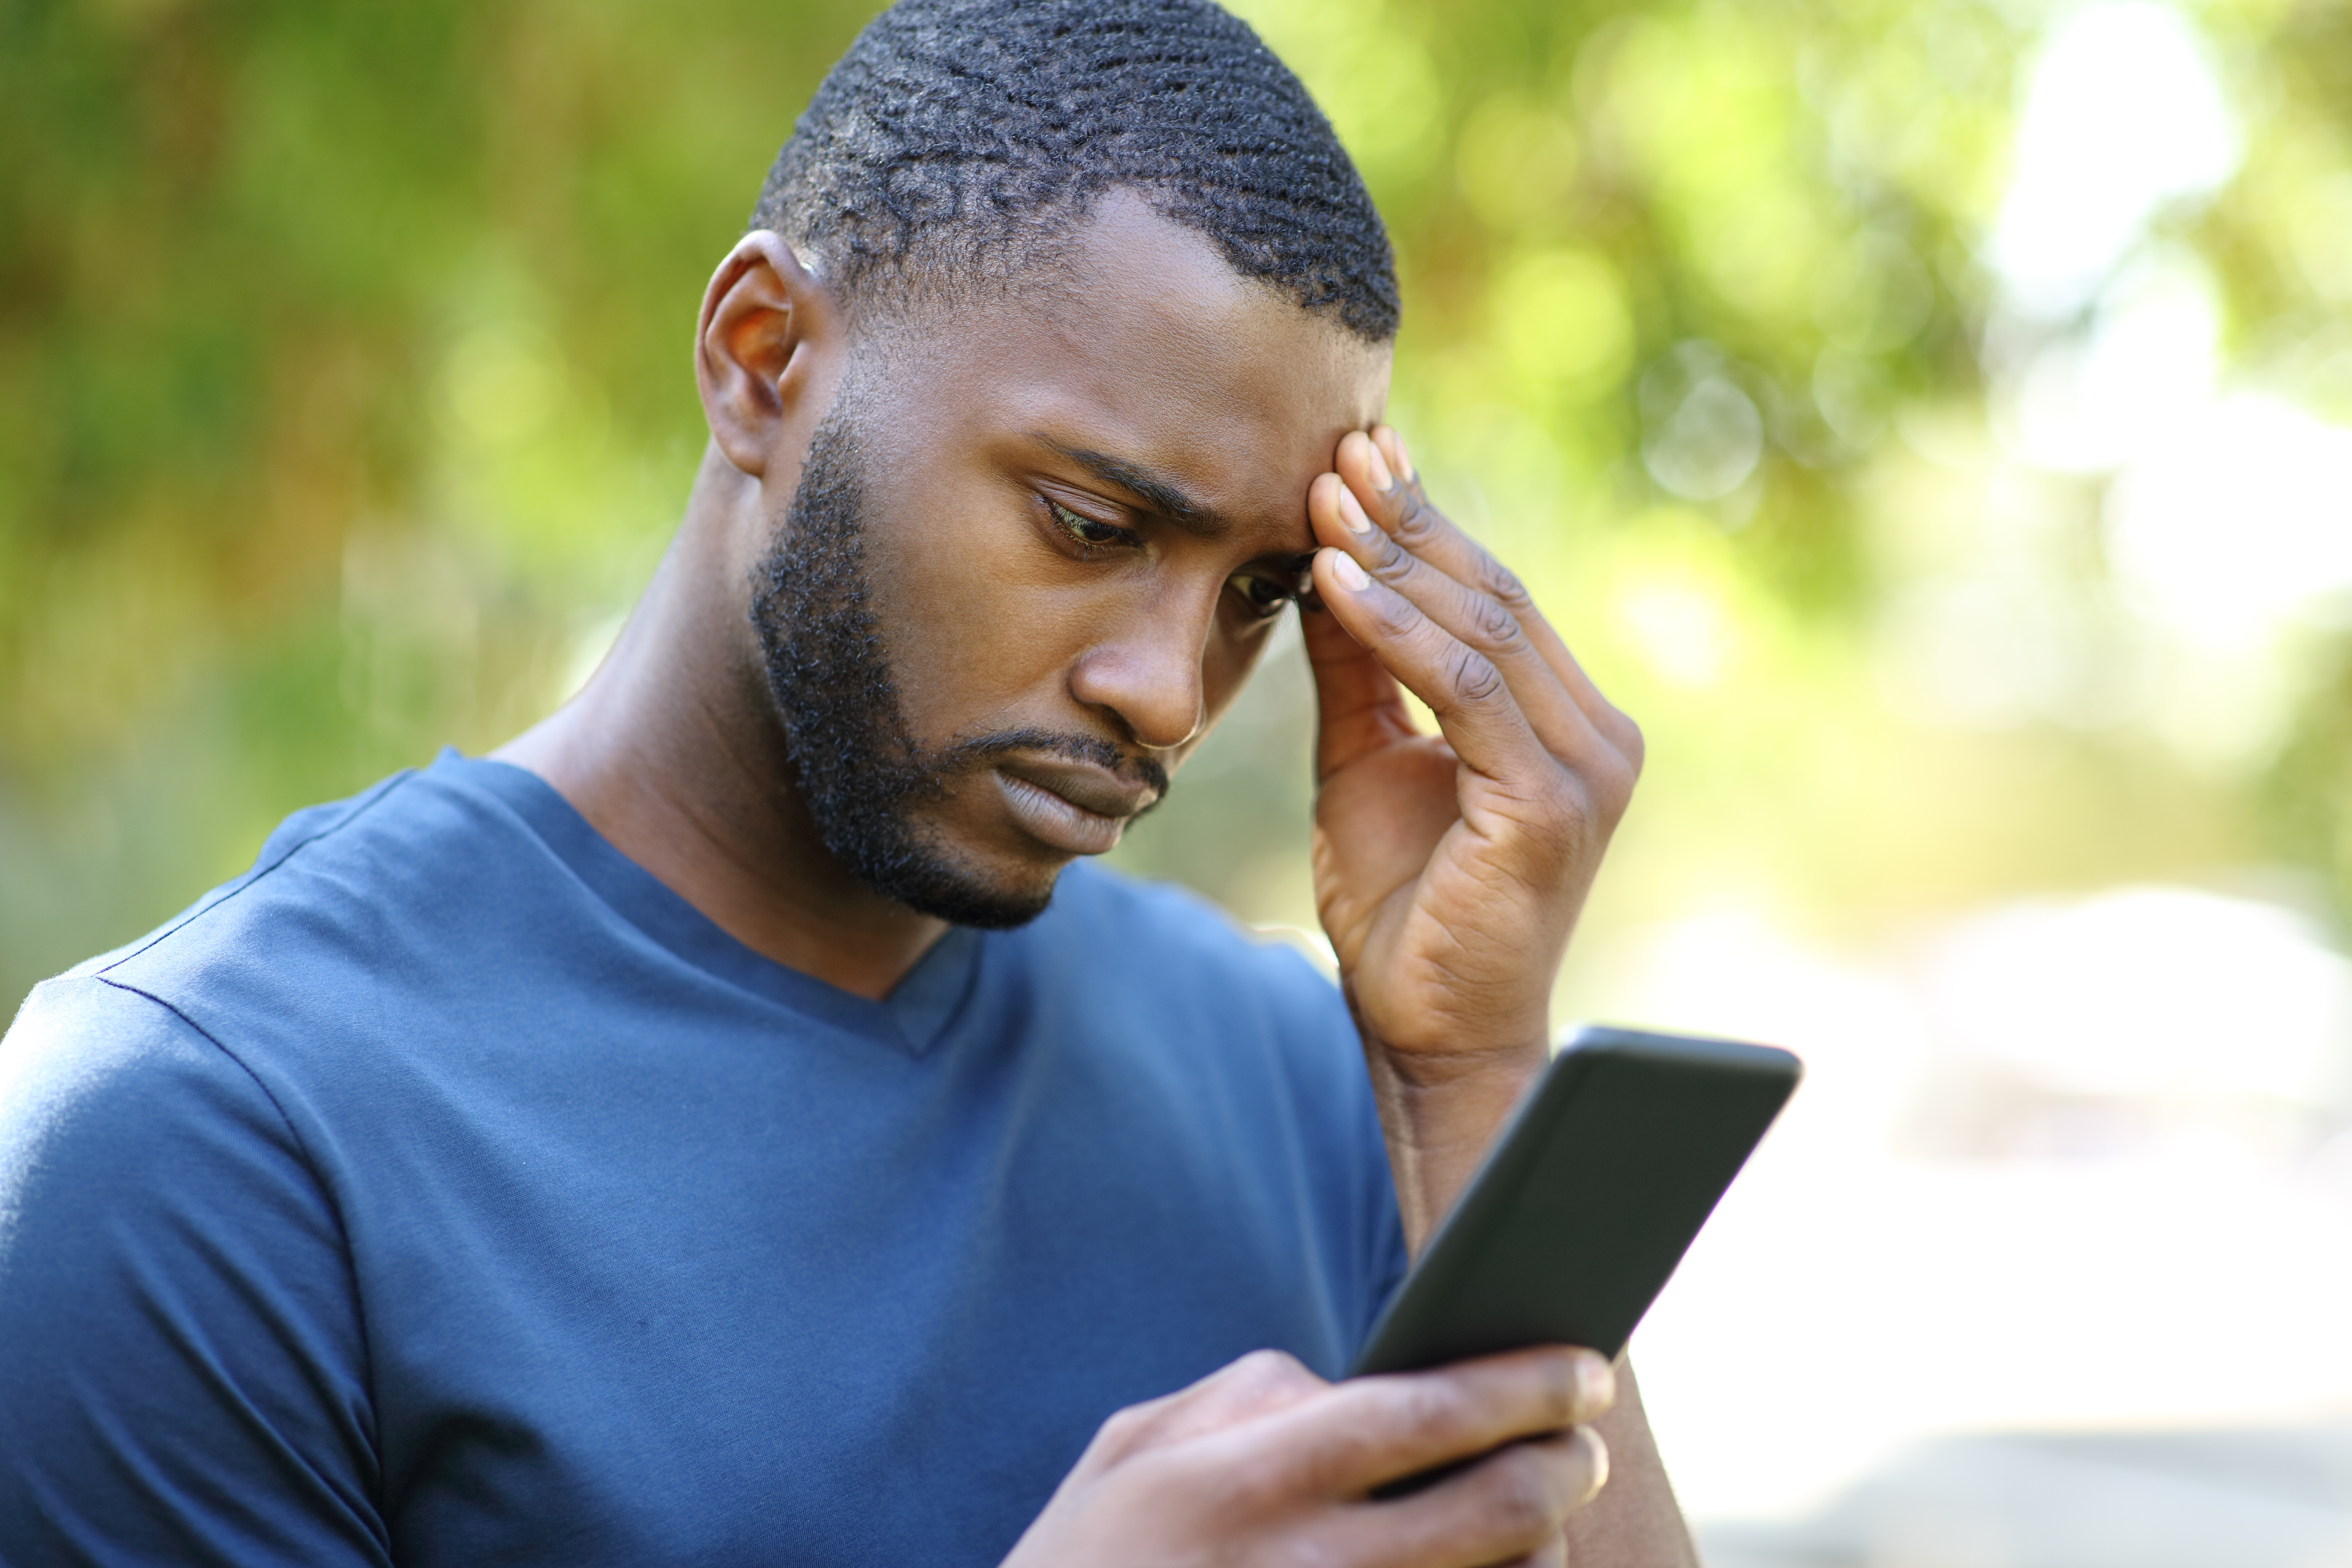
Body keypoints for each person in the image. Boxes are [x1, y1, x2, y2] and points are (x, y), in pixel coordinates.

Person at [0, 0, 1683, 1562]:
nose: (1169, 694)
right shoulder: (206, 1140)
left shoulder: (1303, 1081)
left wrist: (1473, 1079)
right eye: (1094, 527)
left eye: (1261, 594)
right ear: (760, 358)